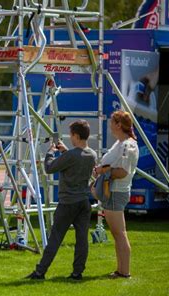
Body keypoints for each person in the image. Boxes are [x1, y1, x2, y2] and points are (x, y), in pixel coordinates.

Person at [26, 120, 97, 281]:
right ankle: (77, 273)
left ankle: (40, 272)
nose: (70, 138)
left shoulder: (71, 155)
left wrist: (51, 152)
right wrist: (66, 151)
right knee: (82, 240)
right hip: (84, 202)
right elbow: (76, 158)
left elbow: (50, 168)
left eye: (71, 135)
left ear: (77, 136)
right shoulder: (92, 154)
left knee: (55, 238)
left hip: (67, 203)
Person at [94, 110, 139, 279]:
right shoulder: (120, 143)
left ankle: (124, 271)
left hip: (117, 191)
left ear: (119, 125)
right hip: (113, 190)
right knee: (117, 233)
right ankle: (120, 270)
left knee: (119, 233)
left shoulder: (128, 145)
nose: (110, 125)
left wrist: (103, 171)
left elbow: (123, 172)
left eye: (112, 121)